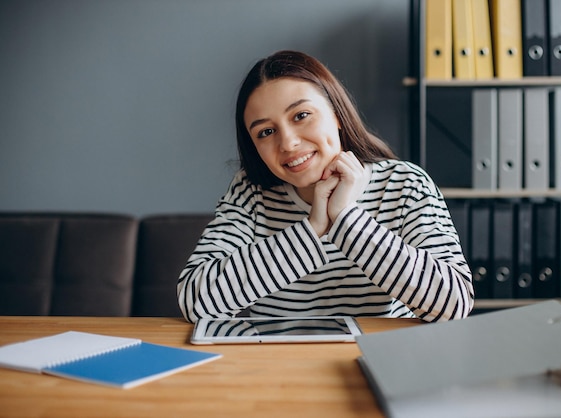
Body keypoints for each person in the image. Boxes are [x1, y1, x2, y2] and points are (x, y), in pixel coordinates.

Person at [177, 50, 473, 322]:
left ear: (336, 114)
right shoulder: (249, 192)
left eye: (301, 116)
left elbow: (453, 305)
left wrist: (346, 219)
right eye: (266, 132)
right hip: (274, 368)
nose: (289, 143)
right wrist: (313, 227)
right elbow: (196, 303)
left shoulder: (405, 185)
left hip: (376, 362)